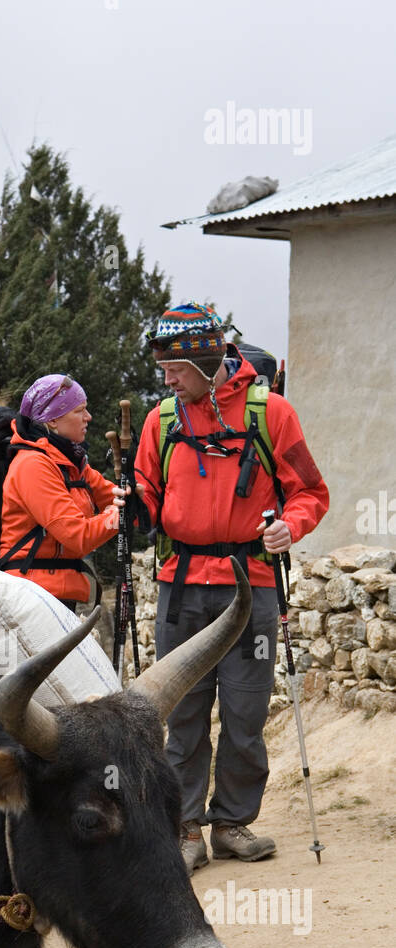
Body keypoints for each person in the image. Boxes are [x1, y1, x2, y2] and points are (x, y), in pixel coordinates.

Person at [133, 303, 329, 871]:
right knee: (183, 711)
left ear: (206, 357)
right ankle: (186, 829)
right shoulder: (162, 421)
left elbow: (310, 491)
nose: (167, 381)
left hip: (252, 584)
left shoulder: (273, 414)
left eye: (176, 370)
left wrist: (290, 526)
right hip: (180, 582)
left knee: (245, 713)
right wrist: (129, 508)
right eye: (164, 370)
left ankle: (233, 823)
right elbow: (147, 490)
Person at [0, 374, 129, 611]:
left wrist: (132, 496)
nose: (88, 417)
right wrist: (120, 516)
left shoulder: (72, 464)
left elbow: (114, 496)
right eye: (80, 411)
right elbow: (78, 537)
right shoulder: (32, 466)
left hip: (55, 596)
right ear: (53, 419)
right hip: (29, 599)